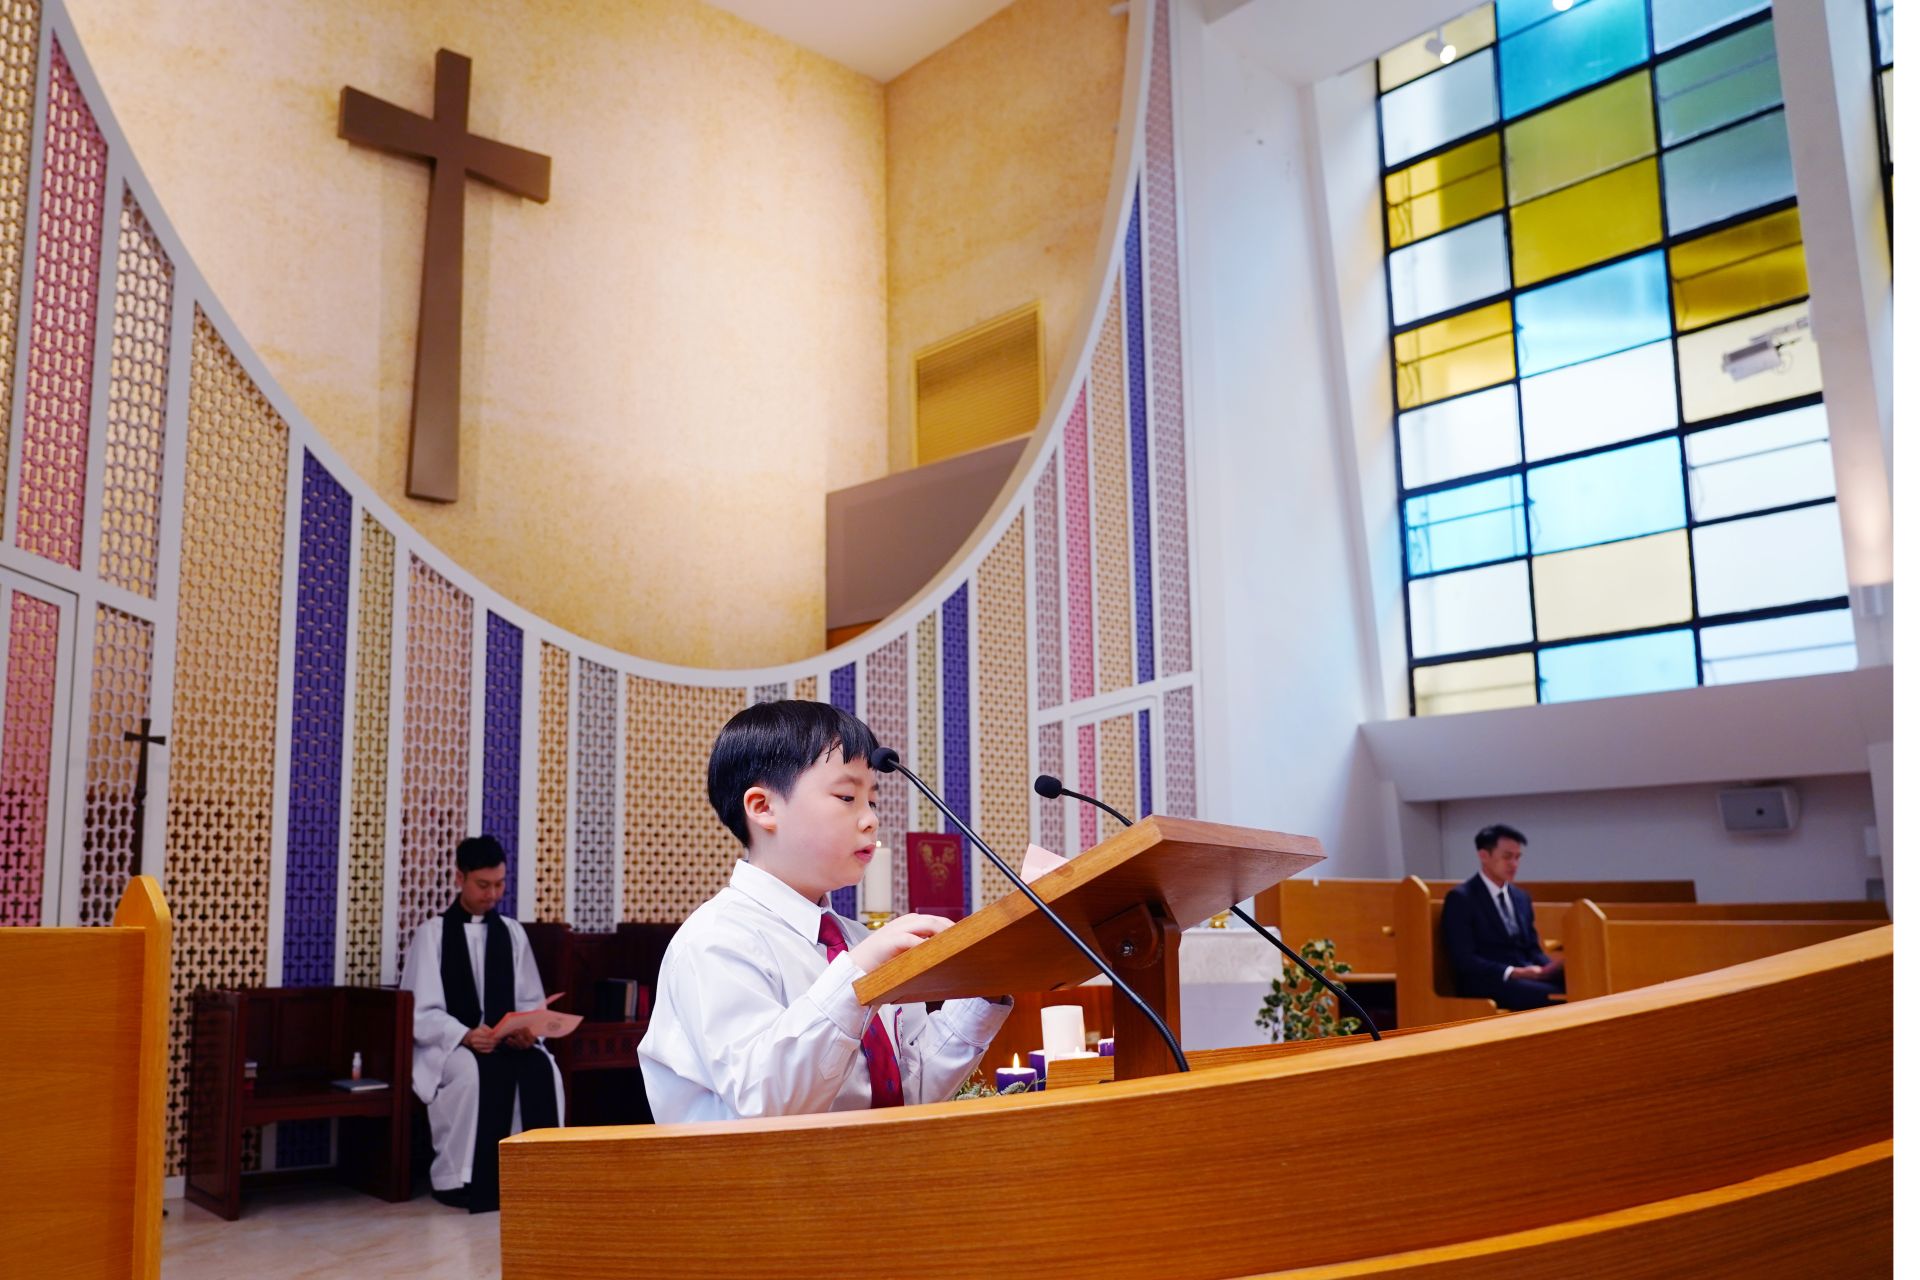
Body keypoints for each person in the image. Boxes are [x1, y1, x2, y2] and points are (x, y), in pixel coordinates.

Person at [639, 699, 1012, 1123]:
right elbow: (766, 1099)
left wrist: (987, 989)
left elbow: (912, 1090)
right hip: (768, 1167)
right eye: (847, 796)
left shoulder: (859, 941)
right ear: (763, 808)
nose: (870, 820)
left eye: (872, 801)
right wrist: (859, 974)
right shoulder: (715, 940)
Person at [401, 834, 563, 1212]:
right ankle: (463, 1180)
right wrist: (465, 1035)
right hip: (452, 1045)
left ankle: (538, 1178)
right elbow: (421, 1012)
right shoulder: (433, 935)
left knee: (544, 1068)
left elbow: (529, 1000)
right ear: (460, 878)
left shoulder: (512, 933)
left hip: (505, 1042)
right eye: (483, 885)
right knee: (472, 1075)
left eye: (500, 884)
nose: (492, 895)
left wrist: (527, 1031)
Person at [1440, 824, 1564, 1011]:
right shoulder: (1462, 898)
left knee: (1579, 984)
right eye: (1507, 857)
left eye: (1517, 857)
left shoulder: (1521, 897)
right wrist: (1513, 972)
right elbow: (1464, 959)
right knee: (1556, 996)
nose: (1514, 864)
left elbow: (1532, 949)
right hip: (1487, 980)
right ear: (1484, 855)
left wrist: (1550, 969)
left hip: (1524, 976)